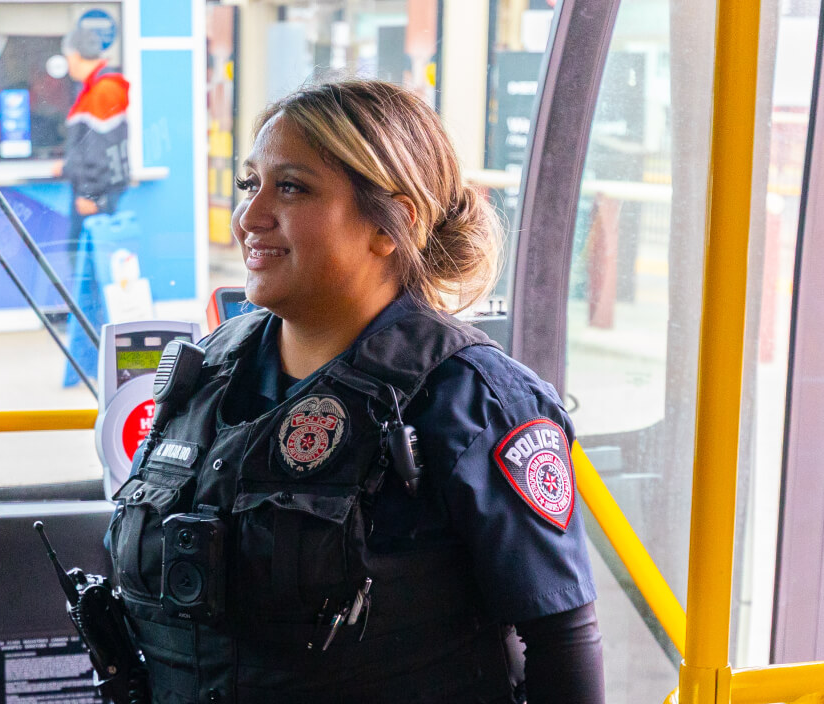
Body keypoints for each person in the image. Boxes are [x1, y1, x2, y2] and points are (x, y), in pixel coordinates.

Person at [106, 79, 604, 703]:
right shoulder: (205, 371)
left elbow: (560, 641)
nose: (250, 217)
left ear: (392, 224)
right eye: (249, 184)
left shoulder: (474, 402)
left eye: (290, 187)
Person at [55, 19, 132, 386]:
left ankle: (107, 360)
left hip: (92, 202)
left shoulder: (102, 91)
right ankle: (96, 359)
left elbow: (106, 154)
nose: (67, 62)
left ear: (77, 54)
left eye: (68, 55)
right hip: (89, 195)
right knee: (90, 281)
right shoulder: (95, 89)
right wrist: (68, 165)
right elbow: (90, 148)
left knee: (100, 283)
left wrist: (94, 197)